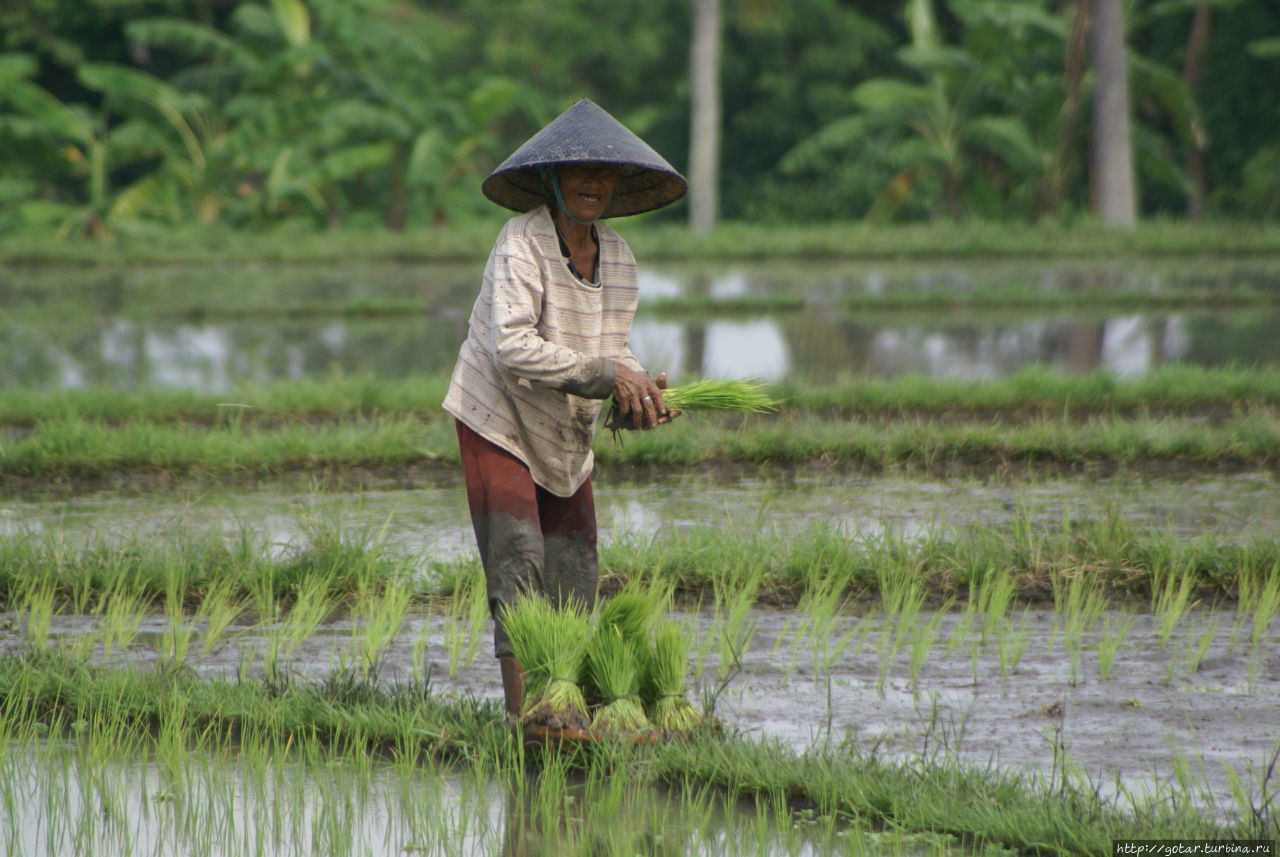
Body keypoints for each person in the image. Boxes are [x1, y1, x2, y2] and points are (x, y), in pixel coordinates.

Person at [442, 99, 687, 718]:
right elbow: (513, 346)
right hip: (497, 416)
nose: (594, 184)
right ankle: (525, 719)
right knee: (519, 563)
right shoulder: (521, 242)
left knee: (576, 568)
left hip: (565, 434)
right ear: (552, 178)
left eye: (605, 174)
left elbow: (612, 350)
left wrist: (635, 395)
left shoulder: (622, 260)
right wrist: (608, 375)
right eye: (580, 171)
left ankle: (567, 706)